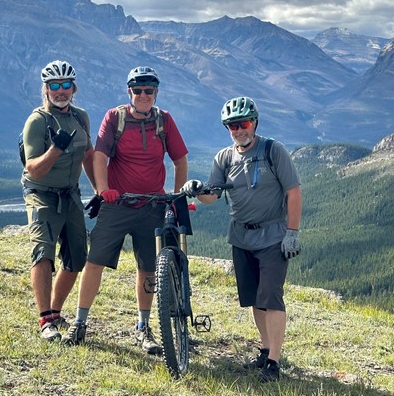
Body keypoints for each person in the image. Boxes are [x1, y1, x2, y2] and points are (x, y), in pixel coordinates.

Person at [62, 66, 189, 354]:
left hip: (152, 205)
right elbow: (100, 157)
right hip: (117, 204)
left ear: (156, 93)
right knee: (94, 261)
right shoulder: (115, 118)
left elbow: (180, 161)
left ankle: (143, 327)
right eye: (138, 90)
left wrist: (175, 196)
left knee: (147, 268)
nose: (143, 95)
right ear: (129, 91)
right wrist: (103, 190)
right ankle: (80, 322)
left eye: (149, 91)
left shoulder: (164, 121)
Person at [181, 96, 302, 382]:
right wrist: (196, 189)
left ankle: (274, 361)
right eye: (233, 126)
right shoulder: (224, 158)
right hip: (241, 237)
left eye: (244, 124)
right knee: (255, 299)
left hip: (273, 236)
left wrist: (292, 232)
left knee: (271, 298)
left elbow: (293, 192)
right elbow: (212, 196)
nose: (239, 130)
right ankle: (265, 349)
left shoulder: (274, 151)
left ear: (255, 123)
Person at [21, 60, 96, 342]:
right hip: (41, 194)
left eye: (66, 85)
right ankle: (45, 320)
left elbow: (89, 155)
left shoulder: (81, 117)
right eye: (55, 86)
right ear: (46, 89)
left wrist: (99, 191)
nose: (60, 91)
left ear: (73, 88)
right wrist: (55, 149)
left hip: (71, 194)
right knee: (43, 252)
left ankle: (54, 311)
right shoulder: (38, 121)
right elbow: (33, 168)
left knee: (77, 257)